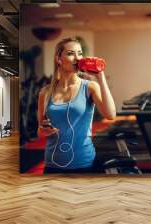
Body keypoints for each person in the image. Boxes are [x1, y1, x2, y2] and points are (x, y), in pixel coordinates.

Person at [37, 37, 116, 174]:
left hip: (83, 163)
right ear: (58, 59)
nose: (77, 58)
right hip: (52, 163)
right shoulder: (45, 92)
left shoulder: (90, 87)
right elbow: (39, 131)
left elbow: (110, 114)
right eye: (70, 53)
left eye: (79, 53)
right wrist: (43, 130)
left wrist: (100, 78)